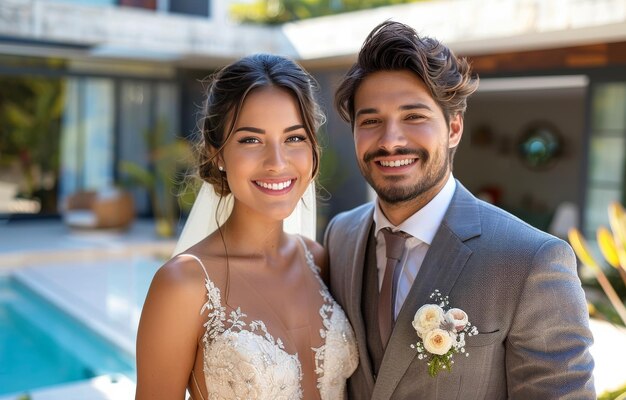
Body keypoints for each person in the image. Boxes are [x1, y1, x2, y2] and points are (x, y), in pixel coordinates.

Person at [325, 21, 595, 399]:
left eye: (414, 116)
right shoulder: (340, 236)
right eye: (371, 121)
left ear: (454, 127)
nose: (390, 141)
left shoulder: (531, 261)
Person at [136, 53, 358, 400]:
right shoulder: (182, 286)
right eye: (251, 140)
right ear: (218, 154)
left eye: (294, 138)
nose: (277, 162)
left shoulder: (319, 260)